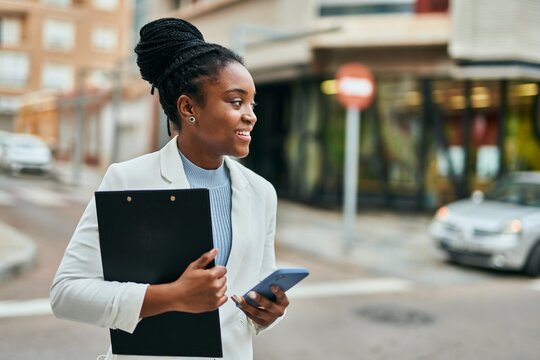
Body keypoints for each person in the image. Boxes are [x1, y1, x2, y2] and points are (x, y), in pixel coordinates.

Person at [50, 17, 289, 360]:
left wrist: (268, 311)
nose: (250, 115)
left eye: (252, 103)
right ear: (188, 108)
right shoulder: (128, 180)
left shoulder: (261, 192)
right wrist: (173, 296)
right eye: (236, 102)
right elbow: (66, 294)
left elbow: (252, 298)